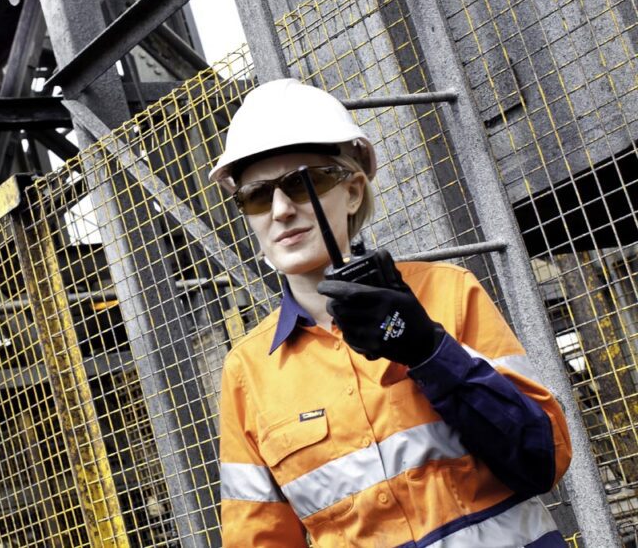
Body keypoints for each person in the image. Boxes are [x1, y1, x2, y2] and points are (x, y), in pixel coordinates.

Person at [212, 79, 572, 547]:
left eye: (304, 183)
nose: (281, 210)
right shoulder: (248, 371)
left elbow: (541, 458)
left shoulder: (448, 292)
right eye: (258, 195)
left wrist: (430, 352)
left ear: (354, 191)